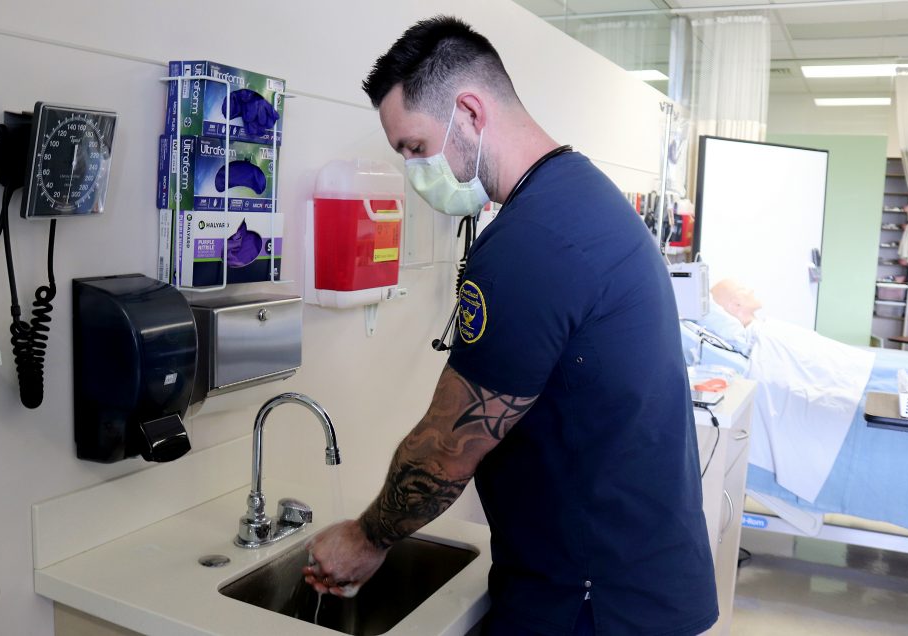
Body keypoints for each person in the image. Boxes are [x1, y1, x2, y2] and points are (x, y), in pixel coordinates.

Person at [303, 16, 718, 636]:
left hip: (593, 603)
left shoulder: (531, 243)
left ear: (468, 112)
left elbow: (447, 448)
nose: (416, 173)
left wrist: (366, 537)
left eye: (415, 148)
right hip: (639, 582)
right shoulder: (580, 196)